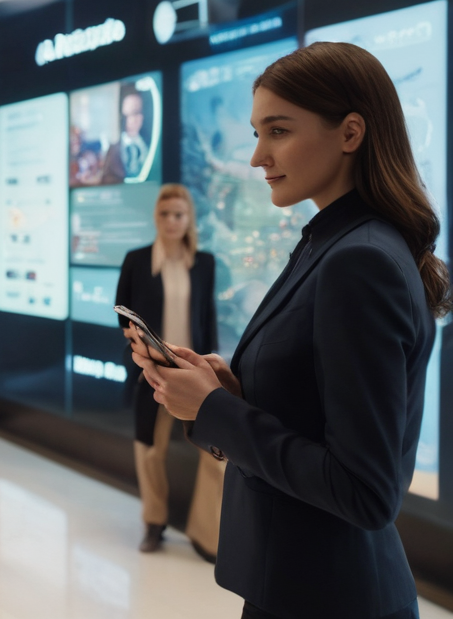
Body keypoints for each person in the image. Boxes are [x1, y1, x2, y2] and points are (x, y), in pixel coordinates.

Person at [133, 42, 448, 619]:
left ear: (350, 133)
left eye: (277, 131)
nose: (257, 157)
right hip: (301, 585)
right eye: (257, 133)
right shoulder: (331, 243)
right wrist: (230, 388)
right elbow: (316, 409)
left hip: (331, 597)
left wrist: (215, 411)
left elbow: (364, 490)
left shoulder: (360, 260)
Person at [115, 184, 223, 560]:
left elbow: (207, 319)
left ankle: (207, 534)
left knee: (215, 454)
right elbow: (122, 317)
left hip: (194, 372)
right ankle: (154, 522)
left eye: (179, 214)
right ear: (156, 218)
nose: (172, 221)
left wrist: (213, 368)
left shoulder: (204, 263)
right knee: (149, 450)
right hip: (153, 373)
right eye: (165, 214)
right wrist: (136, 343)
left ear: (188, 218)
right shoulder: (136, 260)